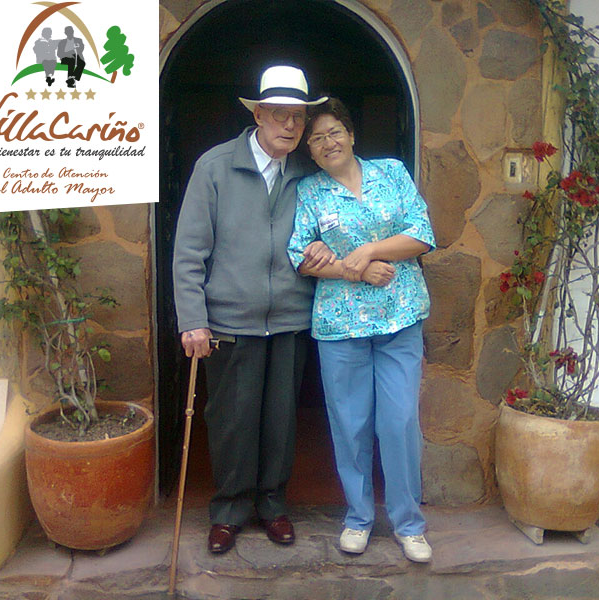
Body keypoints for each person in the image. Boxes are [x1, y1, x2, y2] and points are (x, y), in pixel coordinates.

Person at [173, 65, 331, 554]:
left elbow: (331, 228)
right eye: (280, 115)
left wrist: (325, 249)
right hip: (229, 321)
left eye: (299, 117)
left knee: (281, 420)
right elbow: (189, 250)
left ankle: (273, 505)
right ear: (258, 114)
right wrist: (192, 319)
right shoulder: (215, 167)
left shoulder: (307, 173)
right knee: (233, 421)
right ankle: (229, 510)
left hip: (289, 318)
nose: (291, 125)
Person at [287, 98, 436, 563]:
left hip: (400, 317)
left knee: (399, 421)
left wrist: (370, 251)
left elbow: (421, 234)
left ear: (351, 135)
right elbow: (300, 256)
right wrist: (356, 272)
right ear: (310, 151)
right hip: (341, 324)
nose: (327, 142)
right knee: (350, 425)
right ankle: (358, 517)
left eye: (334, 132)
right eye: (316, 138)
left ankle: (409, 524)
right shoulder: (310, 192)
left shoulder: (391, 172)